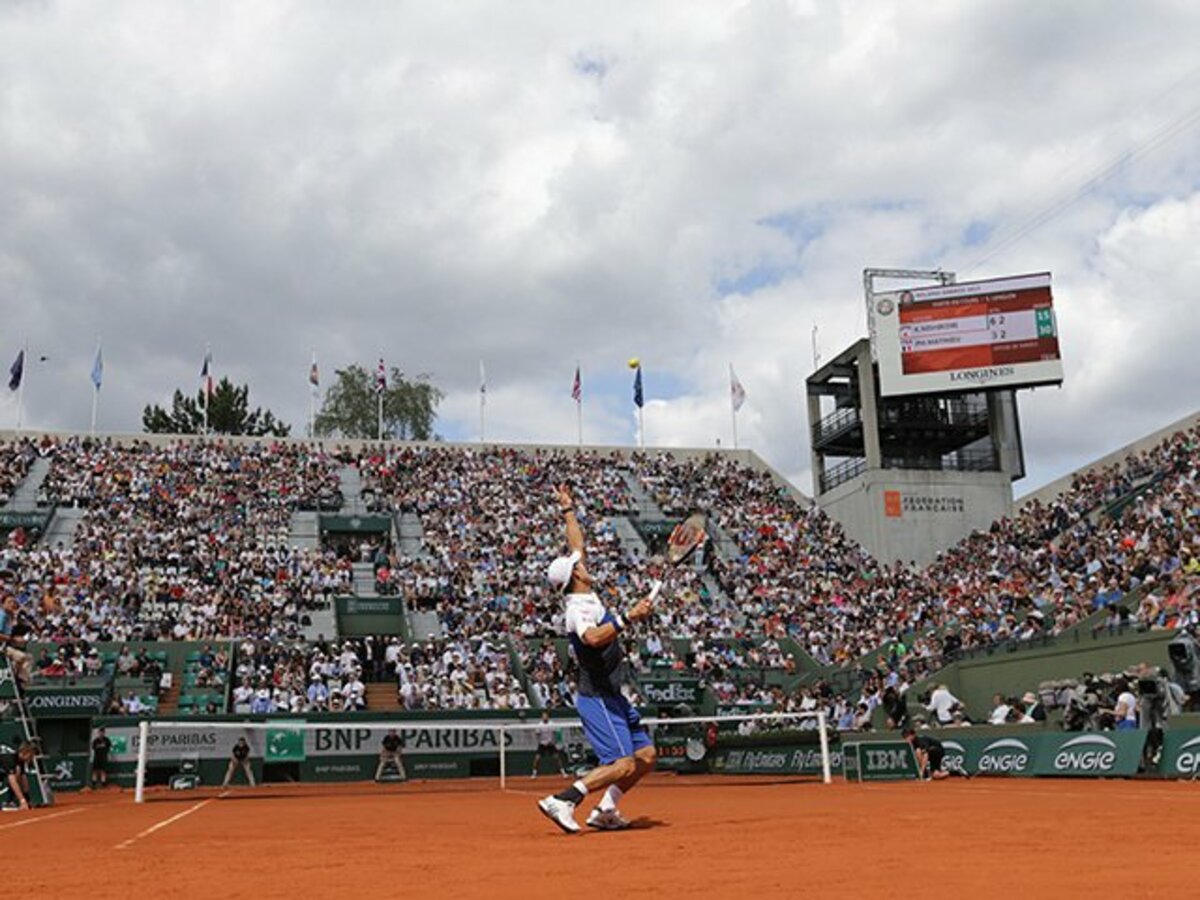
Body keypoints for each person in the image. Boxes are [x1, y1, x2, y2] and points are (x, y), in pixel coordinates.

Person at [537, 484, 659, 834]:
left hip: (614, 695)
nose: (585, 560)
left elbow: (576, 544)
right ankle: (565, 799)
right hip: (599, 698)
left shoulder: (584, 590)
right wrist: (628, 618)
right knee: (622, 764)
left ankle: (605, 810)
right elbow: (592, 638)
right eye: (581, 564)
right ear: (575, 575)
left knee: (646, 757)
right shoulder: (577, 609)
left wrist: (568, 509)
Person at [530, 710, 568, 779]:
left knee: (557, 758)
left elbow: (555, 734)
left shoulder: (552, 724)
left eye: (546, 716)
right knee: (537, 759)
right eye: (543, 716)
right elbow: (537, 735)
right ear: (541, 717)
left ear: (548, 717)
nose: (544, 717)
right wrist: (540, 742)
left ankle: (563, 773)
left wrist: (552, 741)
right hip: (542, 744)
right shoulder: (539, 725)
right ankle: (534, 774)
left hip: (551, 744)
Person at [0, 741, 37, 810]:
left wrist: (27, 799)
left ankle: (9, 801)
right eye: (31, 755)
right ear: (26, 752)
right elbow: (13, 781)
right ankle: (8, 802)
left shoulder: (19, 759)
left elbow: (23, 779)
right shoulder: (10, 759)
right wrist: (22, 800)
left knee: (18, 771)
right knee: (15, 775)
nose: (32, 757)